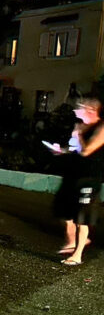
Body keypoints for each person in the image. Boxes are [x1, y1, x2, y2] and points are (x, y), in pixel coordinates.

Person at [57, 98, 104, 265]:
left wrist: (78, 135)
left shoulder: (101, 128)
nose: (78, 112)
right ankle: (73, 244)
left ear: (92, 110)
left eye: (81, 109)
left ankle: (77, 255)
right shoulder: (84, 127)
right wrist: (62, 151)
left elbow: (87, 151)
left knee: (82, 217)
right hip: (75, 177)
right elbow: (75, 150)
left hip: (89, 179)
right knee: (68, 212)